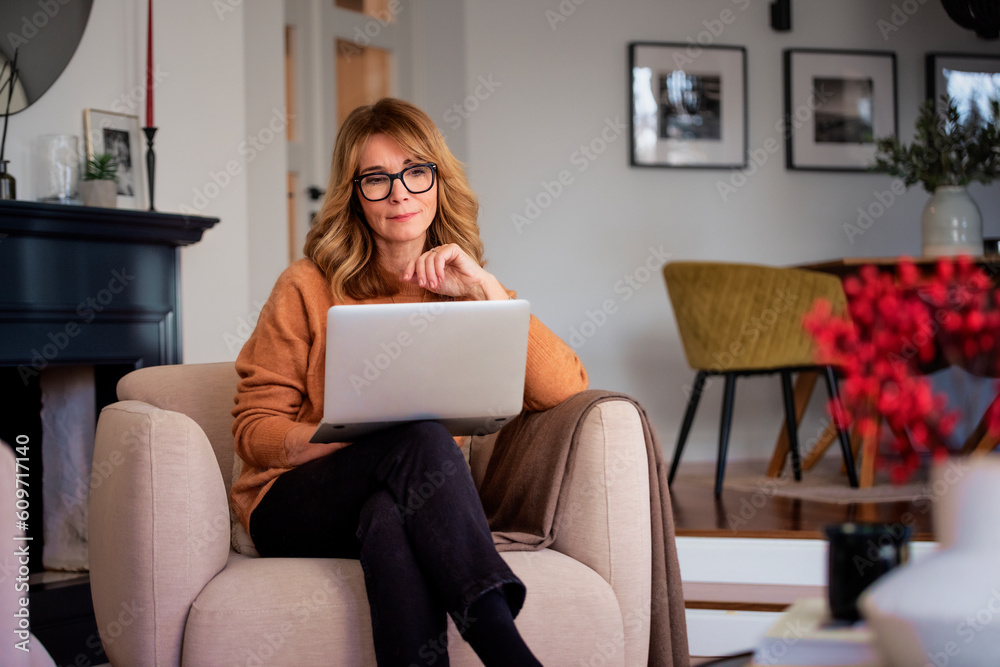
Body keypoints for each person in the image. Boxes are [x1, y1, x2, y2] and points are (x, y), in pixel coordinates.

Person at [230, 97, 589, 666]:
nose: (399, 192)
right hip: (293, 504)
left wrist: (488, 294)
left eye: (416, 172)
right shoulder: (304, 286)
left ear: (438, 182)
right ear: (354, 194)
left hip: (405, 499)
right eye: (376, 178)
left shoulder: (461, 284)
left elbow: (562, 387)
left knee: (390, 519)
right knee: (420, 437)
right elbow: (253, 431)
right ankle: (510, 653)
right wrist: (362, 443)